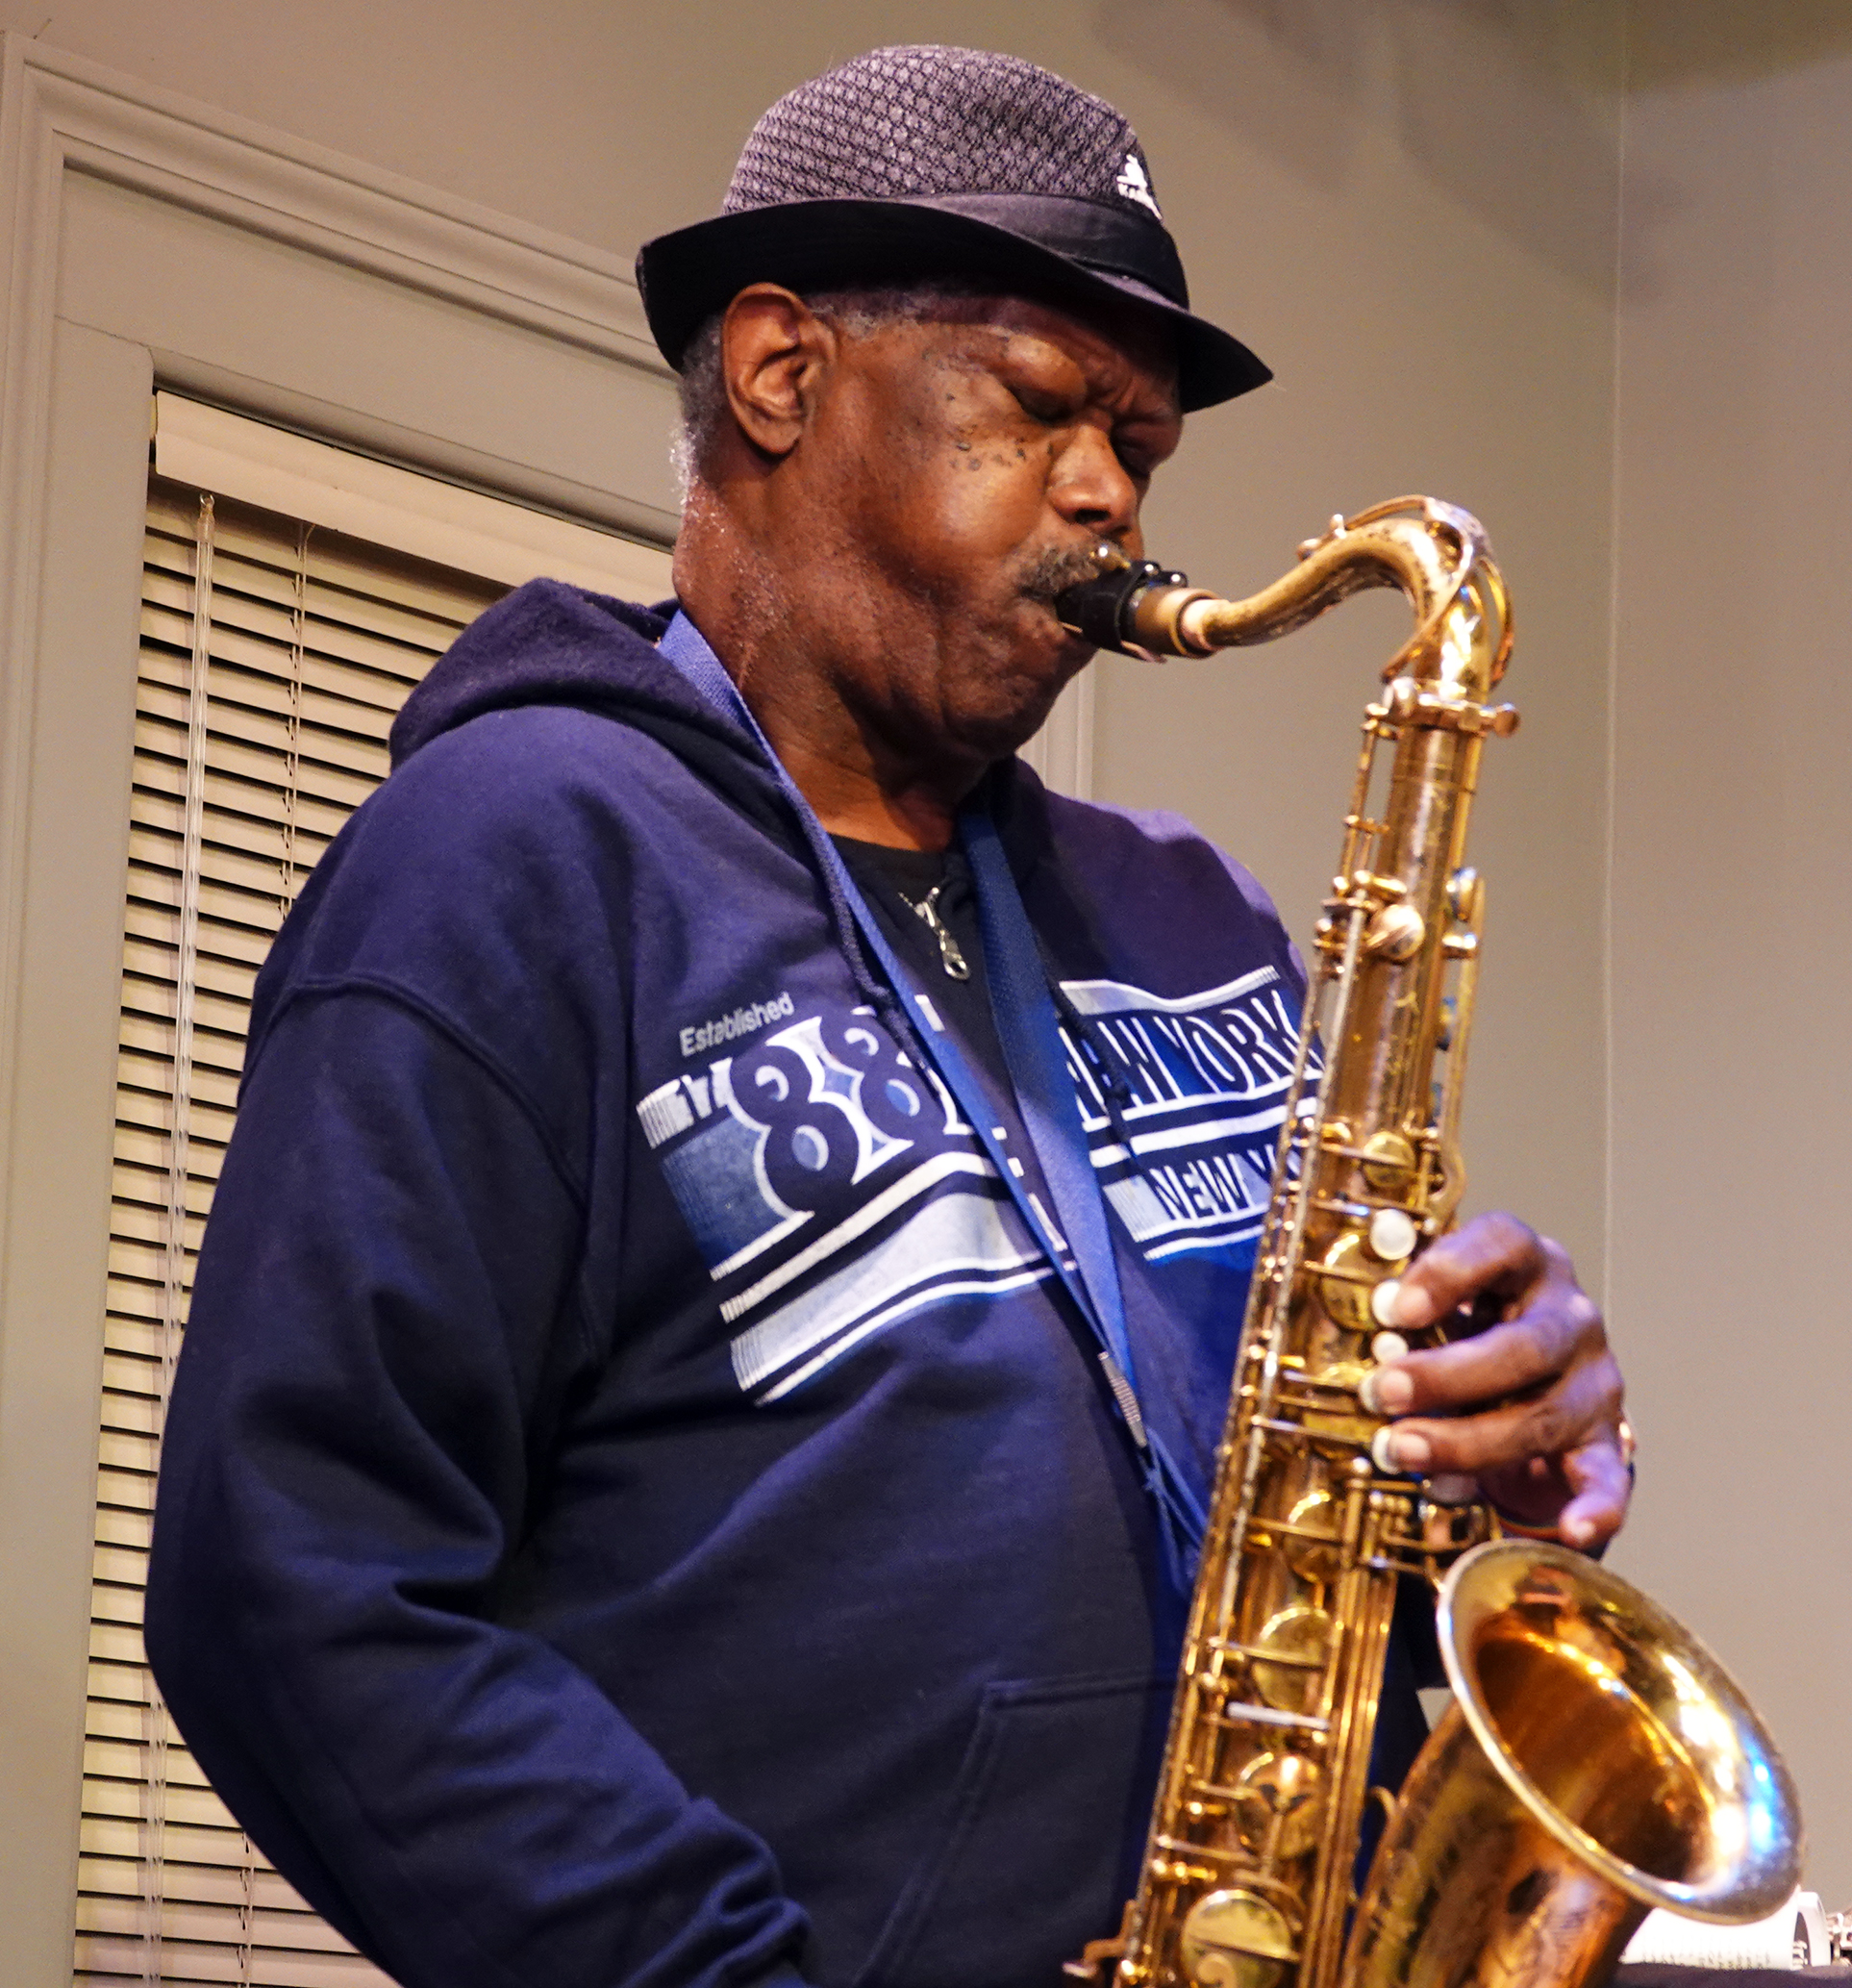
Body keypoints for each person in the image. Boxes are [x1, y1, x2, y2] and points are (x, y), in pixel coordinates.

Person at [146, 45, 1628, 1988]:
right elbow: (295, 1586)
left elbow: (1310, 1520)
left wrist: (1487, 1470)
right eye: (1039, 404)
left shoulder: (1192, 915)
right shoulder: (508, 861)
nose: (1109, 490)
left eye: (1143, 446)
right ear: (780, 372)